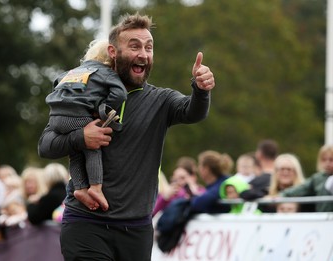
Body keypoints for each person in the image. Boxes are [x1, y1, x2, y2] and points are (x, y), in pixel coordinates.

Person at [38, 13, 215, 260]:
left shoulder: (161, 100)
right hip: (86, 224)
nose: (143, 53)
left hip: (137, 230)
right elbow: (45, 145)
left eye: (148, 47)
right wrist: (81, 137)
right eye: (134, 46)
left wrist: (201, 89)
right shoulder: (84, 93)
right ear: (113, 51)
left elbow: (193, 112)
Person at [45, 39, 127, 211]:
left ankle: (80, 188)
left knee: (75, 152)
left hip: (55, 117)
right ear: (112, 60)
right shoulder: (106, 72)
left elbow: (55, 84)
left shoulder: (71, 72)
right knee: (92, 145)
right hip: (77, 116)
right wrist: (102, 108)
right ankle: (95, 188)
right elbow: (120, 93)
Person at [280, 144, 333, 212]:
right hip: (323, 218)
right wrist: (281, 195)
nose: (327, 163)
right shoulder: (317, 178)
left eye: (331, 160)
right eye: (324, 160)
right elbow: (300, 189)